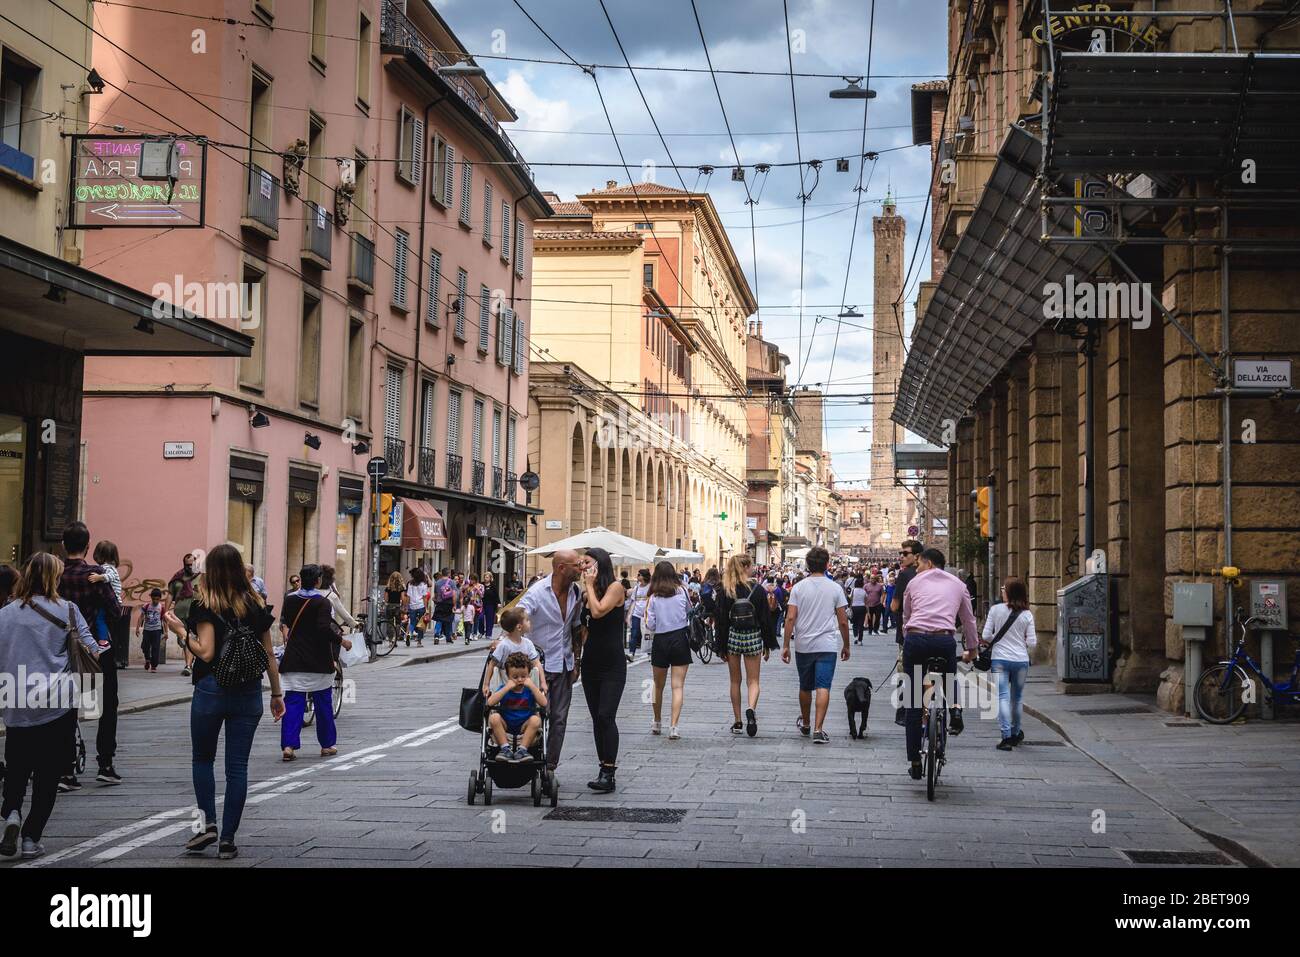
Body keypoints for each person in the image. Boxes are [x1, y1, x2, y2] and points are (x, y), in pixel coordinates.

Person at [166, 543, 283, 859]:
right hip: (247, 693)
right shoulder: (256, 605)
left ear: (212, 571)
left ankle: (208, 826)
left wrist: (179, 630)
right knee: (237, 768)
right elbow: (270, 655)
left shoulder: (205, 604)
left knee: (202, 759)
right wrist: (276, 693)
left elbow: (204, 652)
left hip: (211, 690)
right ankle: (228, 839)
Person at [0, 553, 100, 860]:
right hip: (57, 702)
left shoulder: (5, 613)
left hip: (15, 699)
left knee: (17, 766)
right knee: (47, 774)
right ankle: (31, 838)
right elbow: (91, 648)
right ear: (54, 578)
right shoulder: (67, 610)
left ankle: (12, 813)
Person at [899, 547, 978, 780]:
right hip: (944, 639)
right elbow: (968, 620)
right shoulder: (958, 585)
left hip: (916, 638)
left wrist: (907, 637)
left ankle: (914, 761)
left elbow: (907, 614)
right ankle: (955, 710)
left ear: (930, 563)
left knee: (914, 701)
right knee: (949, 677)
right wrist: (972, 649)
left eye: (920, 564)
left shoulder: (914, 583)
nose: (918, 569)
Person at [58, 521, 123, 788]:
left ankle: (66, 769)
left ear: (63, 545)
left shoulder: (56, 574)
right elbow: (116, 610)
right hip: (97, 649)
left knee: (65, 708)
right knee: (107, 705)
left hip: (62, 650)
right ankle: (105, 764)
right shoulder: (95, 575)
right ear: (87, 546)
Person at [516, 551, 584, 772]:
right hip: (538, 666)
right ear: (561, 568)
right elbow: (519, 616)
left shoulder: (576, 592)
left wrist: (577, 660)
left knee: (559, 718)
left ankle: (550, 766)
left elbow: (576, 628)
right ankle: (528, 756)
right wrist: (506, 640)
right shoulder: (537, 592)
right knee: (534, 715)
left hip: (564, 664)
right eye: (577, 565)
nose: (581, 568)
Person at [278, 565, 350, 761]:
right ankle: (327, 745)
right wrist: (342, 641)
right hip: (318, 658)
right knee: (323, 703)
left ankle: (288, 746)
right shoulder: (322, 602)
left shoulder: (290, 599)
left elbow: (285, 622)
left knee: (293, 702)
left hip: (294, 657)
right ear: (318, 580)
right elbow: (323, 629)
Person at [781, 546, 849, 744]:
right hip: (827, 645)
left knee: (805, 686)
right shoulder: (835, 588)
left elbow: (790, 618)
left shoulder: (799, 588)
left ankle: (806, 724)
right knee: (823, 686)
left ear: (808, 565)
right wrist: (846, 645)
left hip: (804, 645)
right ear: (827, 564)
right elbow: (843, 621)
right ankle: (819, 730)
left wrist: (786, 644)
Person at [577, 547, 626, 792]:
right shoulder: (588, 593)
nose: (582, 566)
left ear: (599, 564)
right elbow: (585, 629)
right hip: (591, 662)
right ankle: (602, 767)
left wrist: (589, 586)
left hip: (613, 663)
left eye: (586, 562)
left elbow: (598, 612)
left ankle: (610, 771)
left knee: (607, 715)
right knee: (597, 718)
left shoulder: (616, 588)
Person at [716, 554, 775, 737]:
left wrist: (721, 647)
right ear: (746, 567)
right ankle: (751, 708)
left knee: (735, 681)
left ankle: (738, 721)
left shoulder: (726, 589)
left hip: (733, 636)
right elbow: (765, 619)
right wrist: (768, 643)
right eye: (751, 566)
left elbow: (721, 621)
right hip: (753, 636)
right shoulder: (757, 590)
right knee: (753, 681)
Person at [984, 577, 1036, 750]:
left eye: (1003, 588)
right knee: (1017, 698)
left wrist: (997, 640)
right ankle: (1016, 732)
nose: (1001, 590)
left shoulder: (995, 610)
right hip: (1021, 660)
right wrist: (1019, 643)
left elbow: (985, 636)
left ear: (1009, 592)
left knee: (1003, 697)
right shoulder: (1027, 614)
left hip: (999, 659)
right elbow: (1032, 643)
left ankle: (1005, 736)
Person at [645, 560, 693, 740]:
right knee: (678, 686)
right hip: (680, 638)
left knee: (657, 685)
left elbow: (650, 624)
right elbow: (689, 610)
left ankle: (657, 721)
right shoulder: (682, 591)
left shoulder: (653, 597)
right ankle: (674, 726)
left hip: (661, 640)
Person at [485, 652, 547, 763]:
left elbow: (544, 703)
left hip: (524, 727)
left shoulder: (530, 690)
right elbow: (490, 702)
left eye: (523, 676)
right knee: (494, 717)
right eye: (515, 677)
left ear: (528, 675)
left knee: (536, 720)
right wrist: (506, 688)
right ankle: (505, 749)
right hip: (505, 726)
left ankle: (522, 750)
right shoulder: (504, 688)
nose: (519, 679)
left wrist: (533, 686)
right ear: (508, 677)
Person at [483, 608, 543, 693]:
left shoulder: (528, 643)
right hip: (506, 686)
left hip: (523, 686)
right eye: (527, 620)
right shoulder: (504, 645)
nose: (529, 622)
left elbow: (537, 663)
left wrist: (543, 683)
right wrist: (486, 685)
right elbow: (492, 664)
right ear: (519, 627)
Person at [90, 541, 129, 669]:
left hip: (112, 602)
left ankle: (103, 642)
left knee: (100, 619)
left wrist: (99, 577)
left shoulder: (108, 568)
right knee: (101, 621)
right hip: (113, 601)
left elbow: (110, 577)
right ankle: (104, 639)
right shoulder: (109, 566)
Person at [168, 552, 200, 677]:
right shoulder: (177, 577)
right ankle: (192, 659)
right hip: (180, 615)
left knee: (190, 638)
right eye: (188, 565)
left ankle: (188, 666)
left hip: (198, 614)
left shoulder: (202, 577)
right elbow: (170, 595)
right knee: (183, 640)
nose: (190, 567)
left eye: (192, 564)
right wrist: (166, 612)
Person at [321, 565, 359, 639]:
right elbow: (343, 613)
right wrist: (355, 624)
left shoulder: (309, 593)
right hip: (325, 627)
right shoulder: (331, 595)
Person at [135, 588, 166, 672]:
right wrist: (137, 628)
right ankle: (147, 659)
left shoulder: (161, 608)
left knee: (155, 648)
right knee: (145, 646)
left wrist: (166, 632)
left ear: (160, 598)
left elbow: (164, 620)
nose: (155, 601)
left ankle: (154, 666)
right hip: (147, 630)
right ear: (151, 598)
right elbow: (141, 617)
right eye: (153, 599)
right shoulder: (146, 606)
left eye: (157, 599)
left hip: (157, 630)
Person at [626, 568, 650, 658]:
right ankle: (631, 653)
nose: (637, 576)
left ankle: (650, 652)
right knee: (634, 633)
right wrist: (629, 616)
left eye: (639, 575)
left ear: (643, 576)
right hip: (636, 613)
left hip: (647, 614)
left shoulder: (651, 587)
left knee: (647, 634)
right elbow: (633, 601)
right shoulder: (636, 587)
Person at [405, 567, 430, 647]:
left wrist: (407, 606)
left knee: (412, 623)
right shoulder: (423, 584)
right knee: (421, 623)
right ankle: (419, 642)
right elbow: (424, 597)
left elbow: (408, 596)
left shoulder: (410, 584)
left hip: (412, 606)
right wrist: (426, 608)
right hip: (421, 605)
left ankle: (409, 633)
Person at [432, 568, 457, 644]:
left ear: (442, 574)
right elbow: (454, 595)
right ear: (449, 574)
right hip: (449, 604)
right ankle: (448, 638)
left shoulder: (437, 583)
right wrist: (454, 605)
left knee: (439, 620)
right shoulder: (452, 582)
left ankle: (436, 635)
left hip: (440, 604)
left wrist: (436, 601)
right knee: (448, 621)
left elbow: (436, 595)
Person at [848, 575, 868, 644]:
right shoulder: (864, 591)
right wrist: (868, 612)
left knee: (855, 623)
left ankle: (856, 636)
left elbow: (850, 598)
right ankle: (860, 640)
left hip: (854, 607)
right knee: (861, 624)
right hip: (862, 608)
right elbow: (866, 602)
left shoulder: (853, 590)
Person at [481, 572, 500, 640]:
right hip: (482, 604)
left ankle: (488, 634)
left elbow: (496, 595)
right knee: (480, 618)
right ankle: (481, 631)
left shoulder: (493, 586)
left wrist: (498, 602)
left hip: (491, 604)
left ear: (490, 578)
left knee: (490, 619)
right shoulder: (481, 585)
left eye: (487, 577)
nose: (486, 579)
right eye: (485, 577)